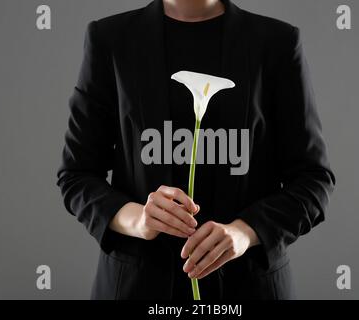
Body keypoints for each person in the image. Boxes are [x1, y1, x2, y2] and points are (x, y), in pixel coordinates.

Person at [57, 0, 335, 300]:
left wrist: (245, 232)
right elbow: (77, 175)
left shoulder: (277, 42)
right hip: (138, 286)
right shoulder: (111, 39)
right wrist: (139, 219)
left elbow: (313, 180)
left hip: (248, 287)